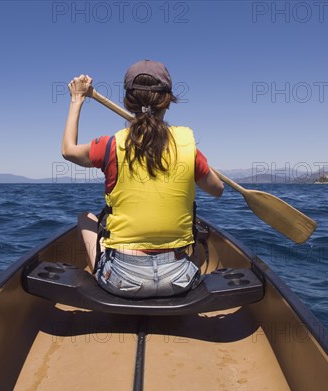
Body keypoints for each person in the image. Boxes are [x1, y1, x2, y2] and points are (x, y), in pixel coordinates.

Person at [61, 60, 224, 299]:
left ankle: (105, 267)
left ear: (129, 101)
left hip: (121, 280)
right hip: (180, 279)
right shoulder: (188, 147)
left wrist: (77, 99)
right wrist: (195, 161)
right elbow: (218, 190)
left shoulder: (109, 146)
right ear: (167, 100)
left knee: (85, 217)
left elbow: (68, 150)